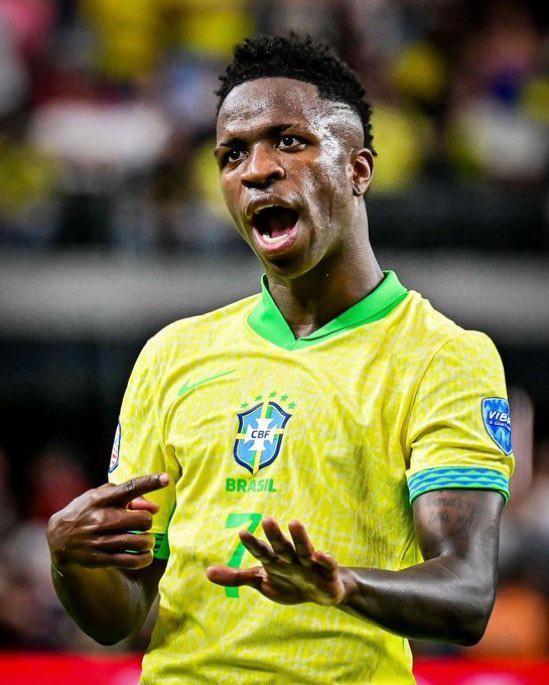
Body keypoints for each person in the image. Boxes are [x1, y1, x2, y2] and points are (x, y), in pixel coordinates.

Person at [46, 34, 515, 684]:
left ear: (358, 169)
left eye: (289, 142)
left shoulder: (442, 356)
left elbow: (466, 593)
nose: (255, 170)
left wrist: (341, 585)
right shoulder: (172, 355)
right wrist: (71, 560)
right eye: (232, 154)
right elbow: (119, 616)